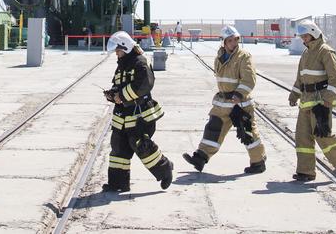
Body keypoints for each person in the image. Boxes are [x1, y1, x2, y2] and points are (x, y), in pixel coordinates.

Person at [182, 24, 265, 175]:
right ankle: (200, 158)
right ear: (224, 42)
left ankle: (258, 162)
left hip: (240, 104)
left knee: (248, 134)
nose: (234, 43)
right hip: (223, 103)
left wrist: (239, 94)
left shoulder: (244, 57)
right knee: (213, 129)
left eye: (235, 40)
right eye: (230, 40)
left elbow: (249, 79)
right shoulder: (219, 57)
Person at [101, 30, 173, 193]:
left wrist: (122, 96)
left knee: (141, 146)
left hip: (140, 115)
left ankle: (165, 169)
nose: (116, 54)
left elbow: (144, 85)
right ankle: (118, 183)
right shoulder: (122, 65)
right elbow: (119, 84)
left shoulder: (139, 62)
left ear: (125, 48)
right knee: (119, 148)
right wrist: (113, 94)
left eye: (118, 51)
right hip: (123, 117)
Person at [287, 20, 336, 181]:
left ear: (314, 33)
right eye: (302, 36)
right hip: (306, 102)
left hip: (320, 103)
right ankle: (305, 171)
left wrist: (327, 102)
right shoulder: (306, 53)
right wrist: (294, 95)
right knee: (302, 137)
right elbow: (300, 78)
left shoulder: (326, 52)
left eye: (306, 36)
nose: (304, 39)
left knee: (322, 135)